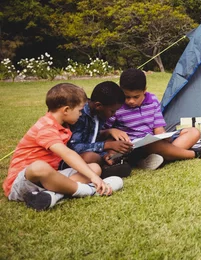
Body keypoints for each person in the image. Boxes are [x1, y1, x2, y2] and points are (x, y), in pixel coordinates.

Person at [3, 83, 122, 211]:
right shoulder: (46, 127)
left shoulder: (63, 125)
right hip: (23, 183)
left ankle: (53, 195)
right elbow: (67, 153)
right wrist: (94, 178)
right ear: (66, 110)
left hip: (48, 180)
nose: (81, 114)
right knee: (39, 167)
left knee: (94, 168)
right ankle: (88, 191)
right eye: (80, 111)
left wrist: (94, 174)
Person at [105, 69, 201, 170]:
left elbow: (158, 128)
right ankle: (195, 153)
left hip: (151, 141)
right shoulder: (117, 105)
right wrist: (111, 130)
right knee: (154, 145)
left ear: (144, 90)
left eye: (136, 97)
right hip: (132, 147)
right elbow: (102, 133)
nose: (131, 101)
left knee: (193, 132)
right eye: (127, 97)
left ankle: (154, 159)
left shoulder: (152, 100)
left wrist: (164, 137)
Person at [67, 81, 133, 178]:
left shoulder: (99, 114)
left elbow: (93, 137)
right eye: (112, 111)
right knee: (90, 157)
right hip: (75, 157)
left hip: (94, 150)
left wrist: (109, 133)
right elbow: (75, 147)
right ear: (98, 105)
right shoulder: (79, 116)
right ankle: (105, 169)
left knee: (115, 143)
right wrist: (107, 145)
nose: (114, 114)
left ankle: (108, 162)